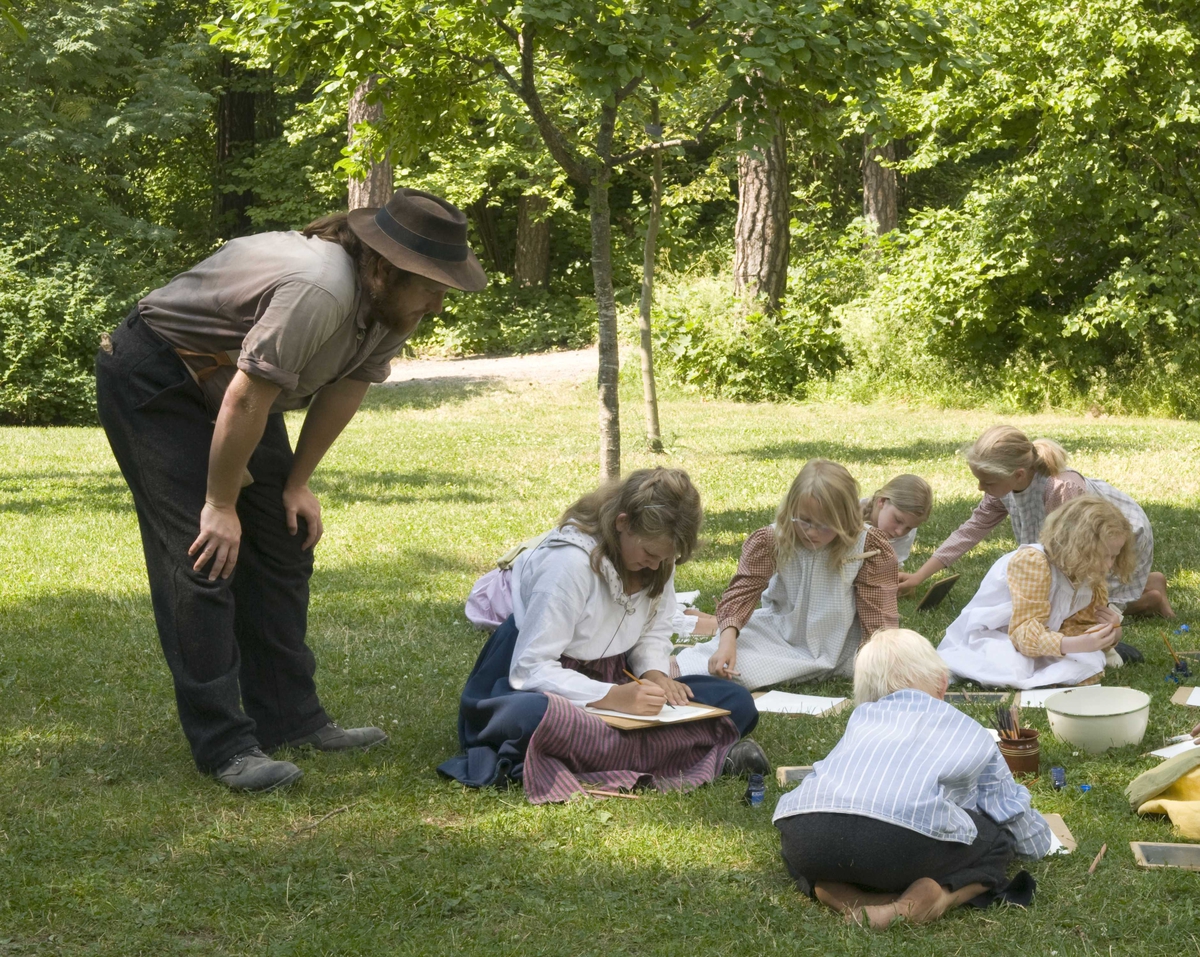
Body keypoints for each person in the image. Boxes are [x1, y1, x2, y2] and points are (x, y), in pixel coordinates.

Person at [95, 189, 487, 792]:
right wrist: (221, 504)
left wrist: (296, 483)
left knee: (284, 536)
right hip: (158, 375)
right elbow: (248, 397)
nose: (438, 302)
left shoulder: (392, 308)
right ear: (385, 269)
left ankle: (291, 719)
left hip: (234, 384)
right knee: (201, 555)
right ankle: (226, 746)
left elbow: (346, 389)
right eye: (432, 285)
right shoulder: (320, 287)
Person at [438, 468, 768, 803]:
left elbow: (654, 628)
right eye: (651, 555)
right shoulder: (567, 563)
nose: (656, 567)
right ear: (622, 523)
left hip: (621, 678)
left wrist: (653, 673)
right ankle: (689, 754)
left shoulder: (657, 560)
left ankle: (608, 753)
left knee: (735, 703)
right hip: (537, 689)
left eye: (665, 559)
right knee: (533, 720)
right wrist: (612, 697)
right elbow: (531, 668)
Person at [774, 628, 1051, 930]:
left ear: (865, 694)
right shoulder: (966, 729)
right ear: (942, 683)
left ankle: (841, 894)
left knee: (801, 851)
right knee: (996, 840)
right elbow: (1009, 811)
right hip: (896, 844)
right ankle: (936, 898)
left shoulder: (862, 718)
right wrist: (1039, 841)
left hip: (807, 830)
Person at [899, 426, 1169, 626]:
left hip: (1119, 538)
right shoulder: (1002, 488)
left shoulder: (1060, 490)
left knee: (1080, 613)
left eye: (987, 482)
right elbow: (971, 530)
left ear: (1017, 474)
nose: (981, 487)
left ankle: (1148, 600)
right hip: (1086, 541)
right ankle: (1149, 582)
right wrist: (919, 576)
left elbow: (1072, 556)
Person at [675, 460, 899, 690]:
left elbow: (878, 615)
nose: (811, 532)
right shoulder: (772, 539)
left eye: (824, 525)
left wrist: (878, 660)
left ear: (846, 519)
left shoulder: (868, 545)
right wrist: (727, 642)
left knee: (884, 666)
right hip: (781, 633)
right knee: (726, 666)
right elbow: (742, 594)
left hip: (841, 643)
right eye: (804, 520)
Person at [937, 495, 1134, 689]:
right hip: (999, 634)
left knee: (1088, 661)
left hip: (1042, 639)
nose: (1110, 565)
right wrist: (1078, 644)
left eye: (1114, 557)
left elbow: (1079, 628)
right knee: (1013, 666)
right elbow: (1023, 632)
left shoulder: (1088, 575)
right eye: (1105, 556)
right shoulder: (1033, 563)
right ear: (1080, 548)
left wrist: (1111, 633)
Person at [861, 474, 933, 567]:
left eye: (909, 528)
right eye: (898, 520)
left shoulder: (906, 532)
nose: (900, 532)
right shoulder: (845, 518)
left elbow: (890, 570)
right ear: (882, 501)